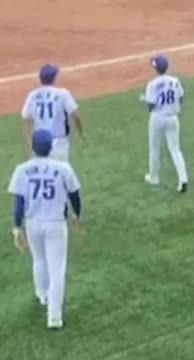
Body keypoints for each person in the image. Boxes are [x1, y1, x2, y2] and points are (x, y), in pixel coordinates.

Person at [8, 129, 82, 330]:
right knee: (57, 269)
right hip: (56, 223)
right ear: (51, 147)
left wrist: (17, 229)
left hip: (33, 222)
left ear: (32, 146)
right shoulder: (63, 167)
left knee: (39, 259)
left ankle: (42, 295)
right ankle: (54, 317)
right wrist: (77, 214)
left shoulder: (22, 169)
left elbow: (19, 203)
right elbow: (75, 194)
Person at [140, 55, 189, 193]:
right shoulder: (175, 81)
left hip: (157, 118)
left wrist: (144, 100)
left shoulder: (152, 84)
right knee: (175, 149)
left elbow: (150, 106)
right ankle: (183, 179)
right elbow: (181, 98)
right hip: (173, 118)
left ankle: (154, 177)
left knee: (155, 148)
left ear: (156, 69)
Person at [21, 64, 86, 163]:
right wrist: (81, 132)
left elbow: (25, 118)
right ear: (54, 78)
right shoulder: (63, 93)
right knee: (60, 175)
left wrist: (29, 142)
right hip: (60, 143)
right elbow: (75, 114)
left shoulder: (32, 95)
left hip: (39, 144)